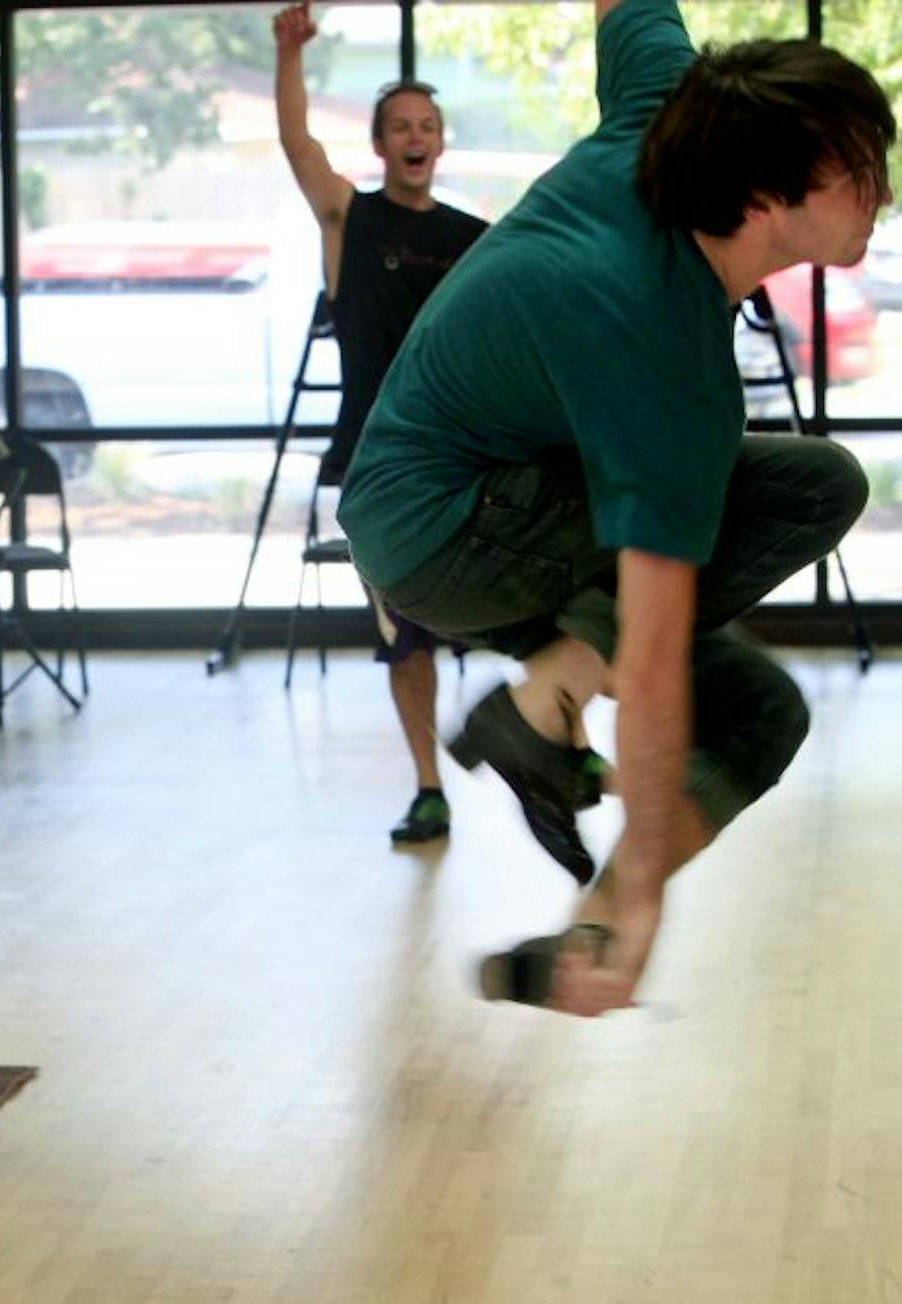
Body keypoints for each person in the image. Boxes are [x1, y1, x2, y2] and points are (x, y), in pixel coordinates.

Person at [339, 0, 891, 1016]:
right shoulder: (665, 367)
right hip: (443, 523)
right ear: (772, 193)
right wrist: (654, 901)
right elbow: (648, 651)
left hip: (505, 509)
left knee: (763, 704)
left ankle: (583, 942)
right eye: (861, 170)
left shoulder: (675, 105)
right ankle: (547, 707)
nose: (883, 195)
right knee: (778, 493)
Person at [273, 1, 490, 845]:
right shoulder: (349, 220)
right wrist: (287, 53)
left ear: (440, 144)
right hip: (372, 464)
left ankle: (555, 744)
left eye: (427, 125)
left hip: (461, 459)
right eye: (399, 124)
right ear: (380, 144)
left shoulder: (476, 239)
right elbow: (297, 146)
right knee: (405, 635)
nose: (414, 136)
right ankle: (429, 785)